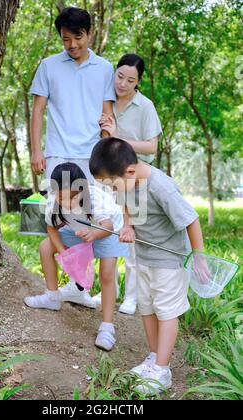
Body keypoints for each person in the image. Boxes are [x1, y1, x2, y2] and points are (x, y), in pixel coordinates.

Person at [89, 138, 206, 394]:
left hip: (168, 260)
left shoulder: (161, 187)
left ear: (129, 171)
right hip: (143, 256)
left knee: (166, 312)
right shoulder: (127, 182)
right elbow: (125, 203)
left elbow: (192, 220)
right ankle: (154, 357)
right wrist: (128, 225)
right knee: (147, 308)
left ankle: (162, 371)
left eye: (111, 185)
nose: (111, 190)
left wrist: (199, 257)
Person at [29, 7, 116, 308]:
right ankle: (57, 291)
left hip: (91, 156)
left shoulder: (105, 68)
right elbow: (38, 109)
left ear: (89, 33)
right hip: (58, 154)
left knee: (92, 220)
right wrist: (37, 150)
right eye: (66, 39)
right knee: (60, 220)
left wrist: (108, 157)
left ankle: (81, 288)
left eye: (78, 38)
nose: (72, 45)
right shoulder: (49, 66)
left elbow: (107, 114)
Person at [24, 163, 128, 351]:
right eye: (61, 197)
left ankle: (107, 327)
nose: (67, 202)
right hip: (78, 229)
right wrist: (64, 254)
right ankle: (52, 296)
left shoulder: (95, 199)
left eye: (73, 197)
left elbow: (108, 226)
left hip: (106, 231)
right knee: (45, 247)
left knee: (106, 274)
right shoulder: (53, 201)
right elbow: (51, 228)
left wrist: (93, 235)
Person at [93, 53, 162, 315]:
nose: (122, 83)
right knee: (109, 231)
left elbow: (152, 146)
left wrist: (119, 139)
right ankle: (108, 288)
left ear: (138, 82)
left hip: (134, 179)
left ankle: (132, 296)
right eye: (119, 76)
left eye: (130, 80)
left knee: (132, 236)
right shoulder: (106, 102)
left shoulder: (144, 106)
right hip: (109, 179)